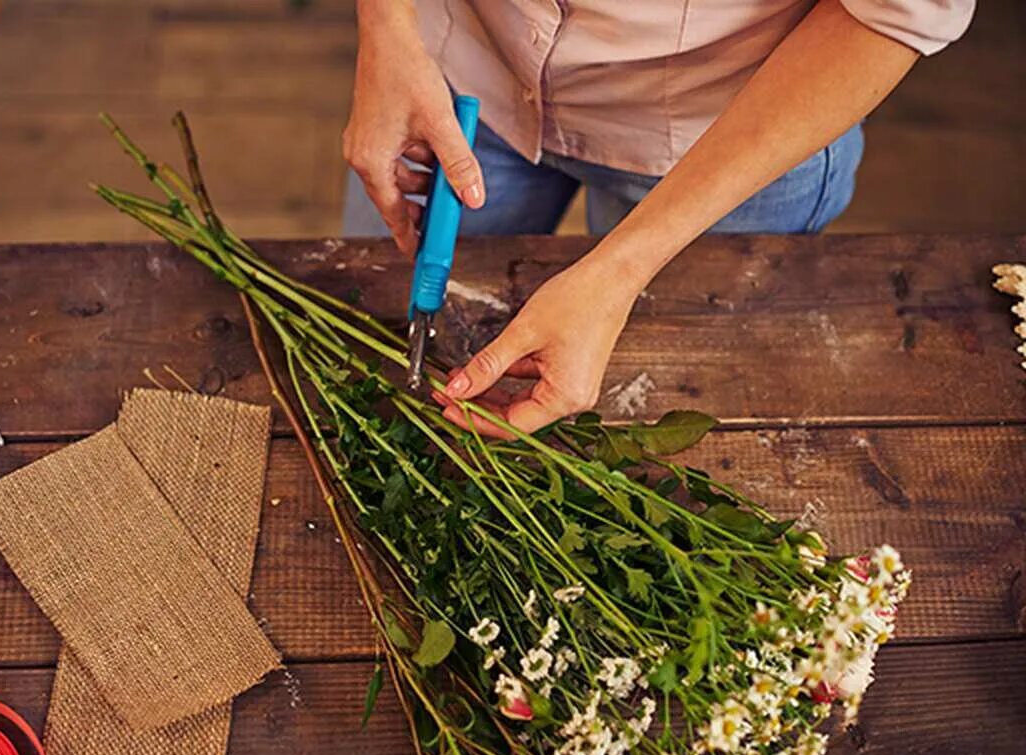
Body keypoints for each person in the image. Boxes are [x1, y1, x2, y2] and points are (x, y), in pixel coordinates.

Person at [341, 0, 974, 437]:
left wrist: (622, 271)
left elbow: (892, 13)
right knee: (364, 313)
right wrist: (388, 34)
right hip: (457, 74)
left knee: (661, 403)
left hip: (727, 136)